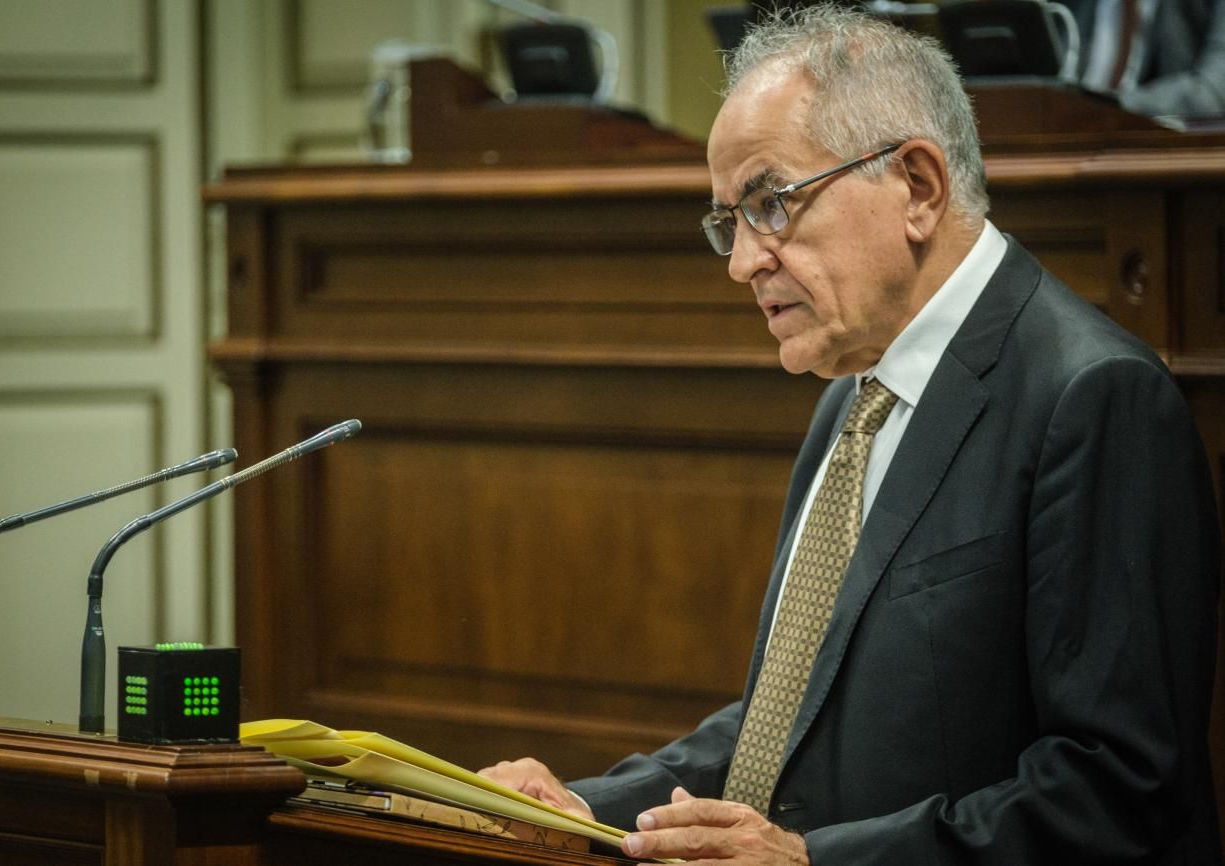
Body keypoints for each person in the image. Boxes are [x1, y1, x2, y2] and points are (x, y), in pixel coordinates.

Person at [479, 5, 1222, 864]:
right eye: (729, 220)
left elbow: (1120, 794)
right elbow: (793, 719)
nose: (742, 261)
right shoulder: (855, 390)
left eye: (770, 203)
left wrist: (811, 862)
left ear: (917, 186)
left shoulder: (1096, 398)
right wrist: (580, 805)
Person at [1063, 0, 1225, 118]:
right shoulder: (1068, 6)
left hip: (1158, 148)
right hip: (1065, 145)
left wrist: (1106, 108)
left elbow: (1212, 93)